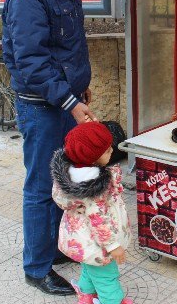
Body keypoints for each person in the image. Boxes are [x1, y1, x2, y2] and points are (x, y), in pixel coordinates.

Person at [2, 0, 98, 296]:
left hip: (63, 100)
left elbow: (68, 46)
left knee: (64, 179)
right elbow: (31, 60)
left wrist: (80, 85)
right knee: (42, 187)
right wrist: (70, 100)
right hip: (42, 107)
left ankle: (55, 250)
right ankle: (36, 267)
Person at [51, 122, 133, 304]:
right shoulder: (93, 189)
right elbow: (98, 221)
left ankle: (86, 296)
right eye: (105, 151)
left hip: (82, 240)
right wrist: (113, 246)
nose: (111, 150)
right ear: (92, 159)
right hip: (98, 245)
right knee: (107, 279)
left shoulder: (71, 177)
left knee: (89, 268)